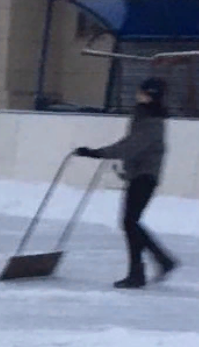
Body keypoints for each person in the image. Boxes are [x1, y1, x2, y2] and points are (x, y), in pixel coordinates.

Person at [74, 77, 179, 288]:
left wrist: (98, 153)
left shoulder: (152, 121)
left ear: (150, 95)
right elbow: (131, 146)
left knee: (130, 222)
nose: (137, 94)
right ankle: (158, 262)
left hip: (145, 177)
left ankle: (144, 270)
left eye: (142, 92)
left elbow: (132, 146)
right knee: (131, 223)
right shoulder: (143, 115)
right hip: (139, 175)